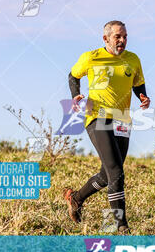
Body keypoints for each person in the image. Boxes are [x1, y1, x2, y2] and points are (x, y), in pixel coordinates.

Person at [63, 20, 150, 234]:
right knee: (116, 171)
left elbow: (138, 82)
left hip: (123, 119)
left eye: (125, 36)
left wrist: (143, 96)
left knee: (107, 174)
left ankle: (76, 198)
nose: (122, 41)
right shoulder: (90, 57)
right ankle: (122, 226)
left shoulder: (132, 59)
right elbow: (73, 76)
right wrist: (76, 95)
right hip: (97, 116)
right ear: (106, 39)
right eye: (117, 37)